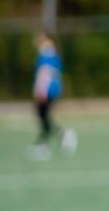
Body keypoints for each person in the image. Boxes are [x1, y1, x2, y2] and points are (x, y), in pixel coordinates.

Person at [29, 31, 76, 159]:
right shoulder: (53, 53)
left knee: (43, 117)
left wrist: (41, 92)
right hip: (52, 90)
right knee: (44, 117)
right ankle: (53, 138)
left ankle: (47, 142)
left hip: (47, 91)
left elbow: (44, 74)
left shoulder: (46, 53)